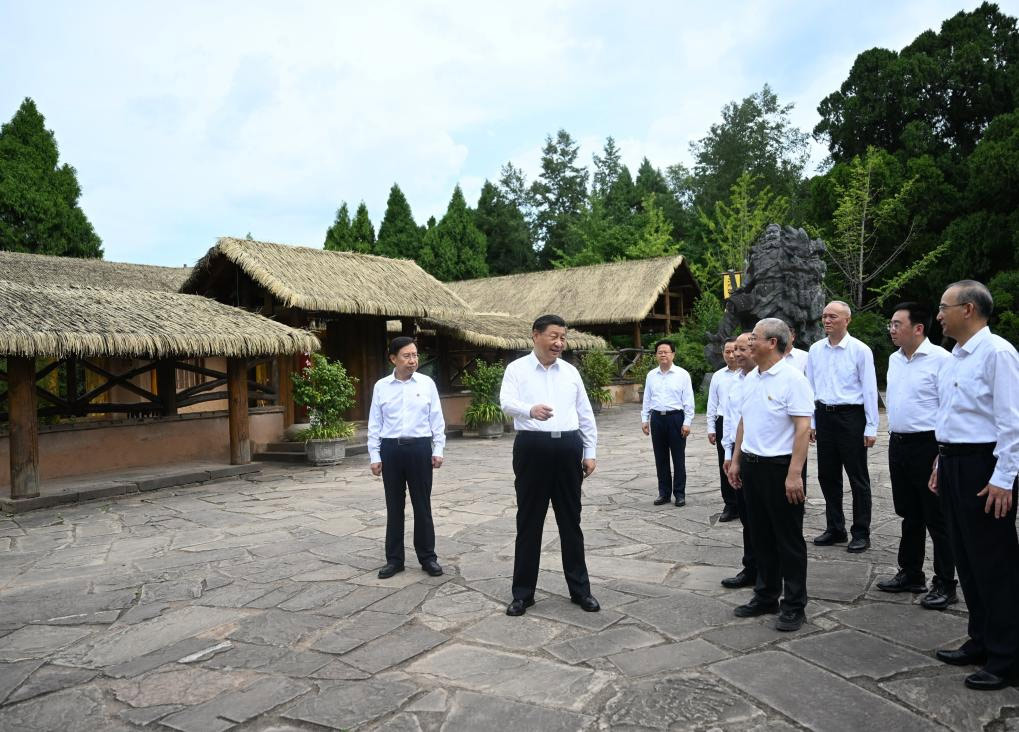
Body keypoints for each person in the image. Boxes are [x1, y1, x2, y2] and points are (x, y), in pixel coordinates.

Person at [930, 281, 1019, 691]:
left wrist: (1004, 478)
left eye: (944, 307)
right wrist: (939, 462)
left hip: (984, 467)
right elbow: (952, 416)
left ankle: (1006, 657)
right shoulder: (955, 357)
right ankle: (980, 639)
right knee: (966, 557)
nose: (938, 314)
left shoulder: (998, 353)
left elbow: (1011, 422)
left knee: (994, 564)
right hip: (954, 463)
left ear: (967, 309)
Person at [500, 314, 599, 617]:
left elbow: (585, 412)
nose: (559, 343)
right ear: (535, 336)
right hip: (532, 447)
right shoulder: (516, 369)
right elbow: (505, 402)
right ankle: (522, 594)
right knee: (529, 522)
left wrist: (590, 450)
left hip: (568, 447)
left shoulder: (570, 372)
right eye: (554, 336)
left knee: (571, 521)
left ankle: (580, 590)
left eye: (563, 337)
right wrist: (529, 410)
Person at [726, 319, 814, 631]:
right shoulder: (750, 379)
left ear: (772, 343)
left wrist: (794, 474)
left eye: (754, 338)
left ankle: (794, 605)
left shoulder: (792, 379)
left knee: (788, 539)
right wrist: (736, 461)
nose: (748, 344)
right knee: (760, 535)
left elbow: (803, 427)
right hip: (752, 465)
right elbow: (743, 422)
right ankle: (765, 595)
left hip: (781, 468)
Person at [876, 302, 957, 610]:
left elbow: (949, 409)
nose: (892, 329)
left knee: (937, 518)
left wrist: (941, 454)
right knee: (909, 513)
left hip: (929, 445)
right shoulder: (895, 360)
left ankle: (946, 583)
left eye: (897, 324)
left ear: (918, 328)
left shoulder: (942, 361)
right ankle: (910, 572)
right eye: (891, 324)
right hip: (899, 443)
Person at [367, 337, 446, 579]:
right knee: (394, 507)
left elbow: (437, 419)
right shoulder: (381, 386)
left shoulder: (427, 383)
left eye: (415, 355)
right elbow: (375, 423)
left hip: (420, 449)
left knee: (423, 506)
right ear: (393, 358)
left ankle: (428, 558)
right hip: (391, 450)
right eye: (407, 356)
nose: (413, 360)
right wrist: (374, 454)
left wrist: (438, 449)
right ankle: (394, 560)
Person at [806, 300, 879, 553]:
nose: (827, 320)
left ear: (847, 320)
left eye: (833, 317)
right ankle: (835, 527)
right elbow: (811, 388)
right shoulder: (815, 350)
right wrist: (812, 421)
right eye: (824, 316)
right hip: (824, 416)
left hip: (851, 417)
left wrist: (871, 426)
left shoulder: (860, 350)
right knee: (827, 475)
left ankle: (861, 531)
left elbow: (869, 390)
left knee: (857, 477)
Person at [719, 332, 757, 589]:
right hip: (738, 452)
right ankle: (751, 568)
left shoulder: (772, 379)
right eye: (736, 349)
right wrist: (728, 455)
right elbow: (732, 422)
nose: (737, 354)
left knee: (762, 519)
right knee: (746, 516)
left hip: (764, 458)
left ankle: (771, 573)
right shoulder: (735, 382)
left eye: (743, 349)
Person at [641, 339, 695, 507]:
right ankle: (664, 493)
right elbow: (647, 399)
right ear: (656, 355)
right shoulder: (651, 375)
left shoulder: (682, 374)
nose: (663, 354)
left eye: (666, 351)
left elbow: (688, 401)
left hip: (676, 419)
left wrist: (687, 422)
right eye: (659, 352)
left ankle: (679, 494)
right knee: (660, 458)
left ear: (673, 354)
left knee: (678, 458)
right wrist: (645, 419)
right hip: (657, 419)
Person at [707, 338, 740, 521]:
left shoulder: (747, 373)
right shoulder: (718, 376)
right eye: (727, 351)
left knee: (743, 462)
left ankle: (745, 500)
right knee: (725, 462)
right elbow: (712, 403)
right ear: (723, 354)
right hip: (722, 422)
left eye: (734, 350)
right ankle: (730, 504)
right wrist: (711, 428)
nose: (731, 354)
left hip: (742, 423)